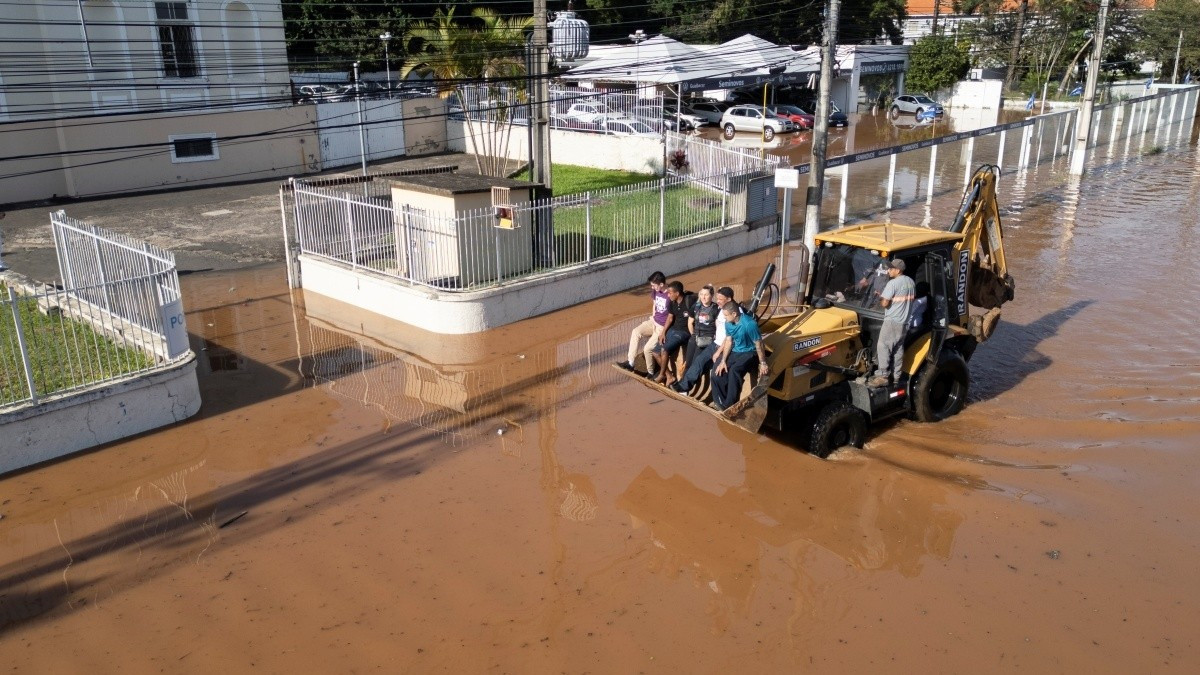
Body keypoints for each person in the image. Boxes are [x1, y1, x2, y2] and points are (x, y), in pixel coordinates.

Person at [672, 286, 736, 394]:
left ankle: (686, 388)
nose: (718, 301)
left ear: (729, 299)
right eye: (718, 298)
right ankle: (683, 387)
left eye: (720, 299)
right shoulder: (719, 309)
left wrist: (719, 351)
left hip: (718, 344)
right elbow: (717, 325)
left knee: (705, 366)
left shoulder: (728, 311)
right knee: (698, 362)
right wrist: (694, 335)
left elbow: (730, 336)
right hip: (711, 342)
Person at [710, 301, 769, 411]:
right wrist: (723, 361)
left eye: (726, 315)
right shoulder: (728, 323)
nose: (724, 318)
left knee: (734, 371)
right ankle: (720, 403)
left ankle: (730, 405)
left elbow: (759, 344)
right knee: (716, 373)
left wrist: (763, 363)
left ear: (734, 314)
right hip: (736, 351)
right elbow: (728, 341)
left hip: (750, 353)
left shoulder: (749, 324)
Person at [869, 259, 916, 388]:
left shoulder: (893, 283)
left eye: (891, 268)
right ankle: (896, 377)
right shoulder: (911, 282)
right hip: (904, 322)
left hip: (892, 321)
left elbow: (885, 303)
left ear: (898, 270)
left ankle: (883, 376)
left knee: (883, 345)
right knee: (897, 349)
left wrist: (881, 297)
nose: (888, 270)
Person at [618, 271, 669, 376]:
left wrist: (664, 330)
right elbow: (654, 305)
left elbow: (672, 315)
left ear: (661, 284)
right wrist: (653, 318)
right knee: (636, 332)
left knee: (647, 349)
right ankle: (631, 363)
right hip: (653, 321)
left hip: (662, 327)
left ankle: (650, 372)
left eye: (654, 285)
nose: (652, 288)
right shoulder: (656, 291)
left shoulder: (670, 295)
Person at [651, 281, 695, 385]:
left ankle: (661, 375)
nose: (668, 295)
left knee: (665, 349)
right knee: (655, 352)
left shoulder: (689, 301)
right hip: (673, 329)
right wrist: (663, 333)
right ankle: (669, 376)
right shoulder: (672, 302)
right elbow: (670, 318)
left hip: (684, 332)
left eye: (670, 293)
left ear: (677, 293)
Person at [682, 285, 719, 379]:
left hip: (707, 339)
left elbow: (718, 327)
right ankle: (683, 384)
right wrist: (693, 335)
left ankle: (687, 384)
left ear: (712, 295)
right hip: (695, 337)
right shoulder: (696, 306)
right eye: (701, 294)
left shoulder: (716, 309)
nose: (703, 297)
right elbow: (690, 322)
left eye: (706, 295)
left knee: (696, 363)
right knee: (688, 362)